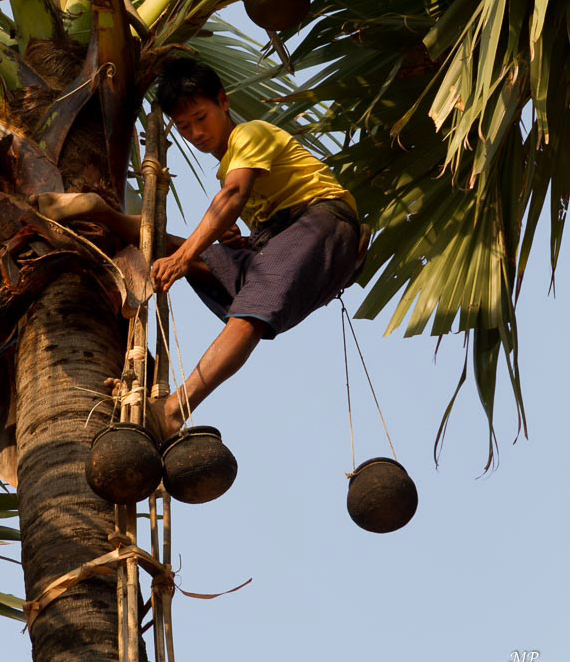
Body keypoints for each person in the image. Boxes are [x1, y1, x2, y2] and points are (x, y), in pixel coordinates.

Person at [38, 58, 366, 442]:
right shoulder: (228, 163)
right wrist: (229, 243)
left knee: (250, 310)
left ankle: (174, 410)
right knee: (205, 265)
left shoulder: (251, 135)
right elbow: (243, 208)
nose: (195, 132)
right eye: (183, 126)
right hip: (286, 237)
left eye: (200, 117)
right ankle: (102, 214)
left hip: (323, 222)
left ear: (223, 102)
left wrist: (180, 258)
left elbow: (232, 196)